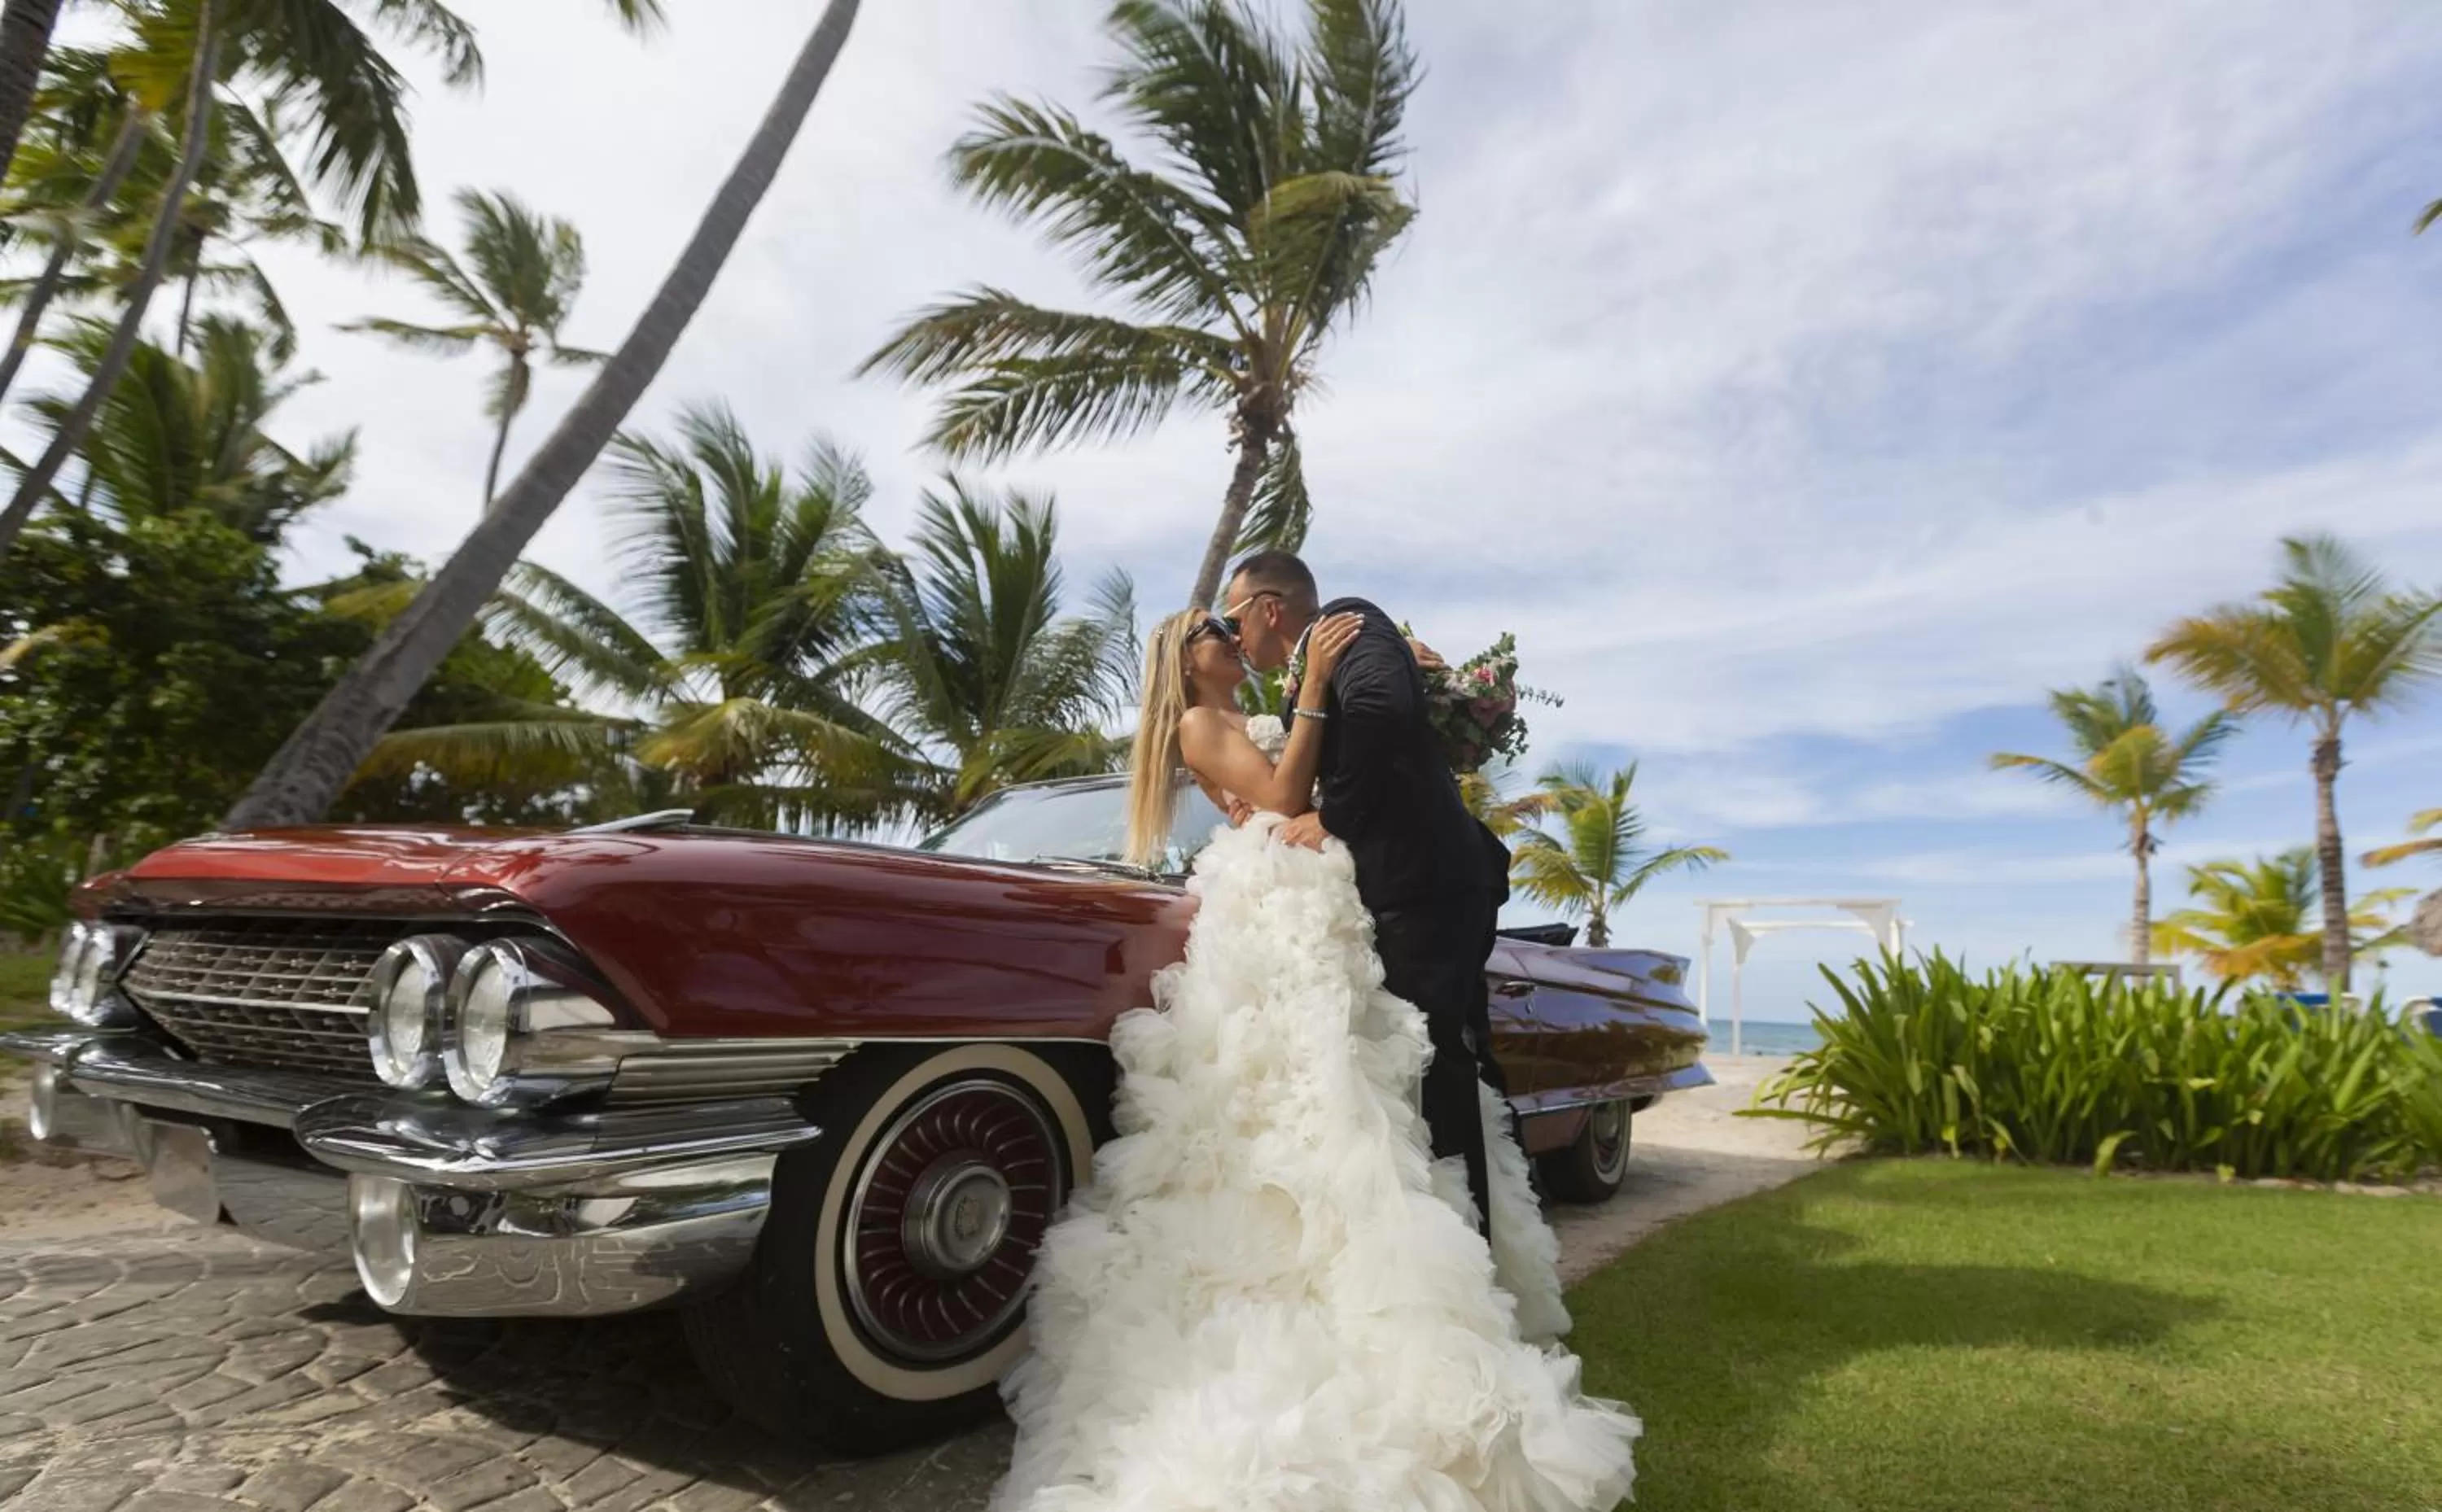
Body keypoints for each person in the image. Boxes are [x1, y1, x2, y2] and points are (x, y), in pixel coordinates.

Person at [988, 563, 1639, 1511]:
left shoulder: (1247, 706)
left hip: (1328, 890)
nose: (1225, 633)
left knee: (1359, 1077)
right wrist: (1319, 694)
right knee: (1302, 1084)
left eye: (1225, 617)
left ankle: (1433, 1271)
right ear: (1192, 652)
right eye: (1211, 624)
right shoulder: (1198, 722)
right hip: (1286, 887)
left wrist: (1370, 697)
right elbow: (1291, 794)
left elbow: (1330, 782)